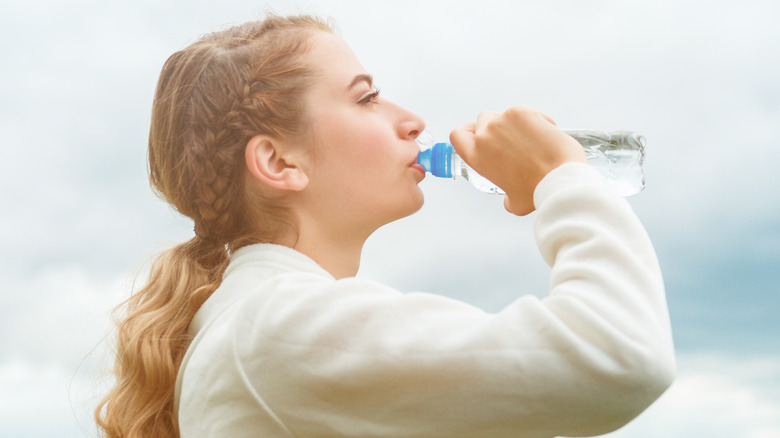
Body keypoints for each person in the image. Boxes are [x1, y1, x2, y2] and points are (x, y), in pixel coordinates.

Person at [95, 14, 675, 438]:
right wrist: (562, 178)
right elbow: (620, 355)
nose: (412, 120)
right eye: (367, 98)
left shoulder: (263, 326)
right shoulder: (277, 327)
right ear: (279, 163)